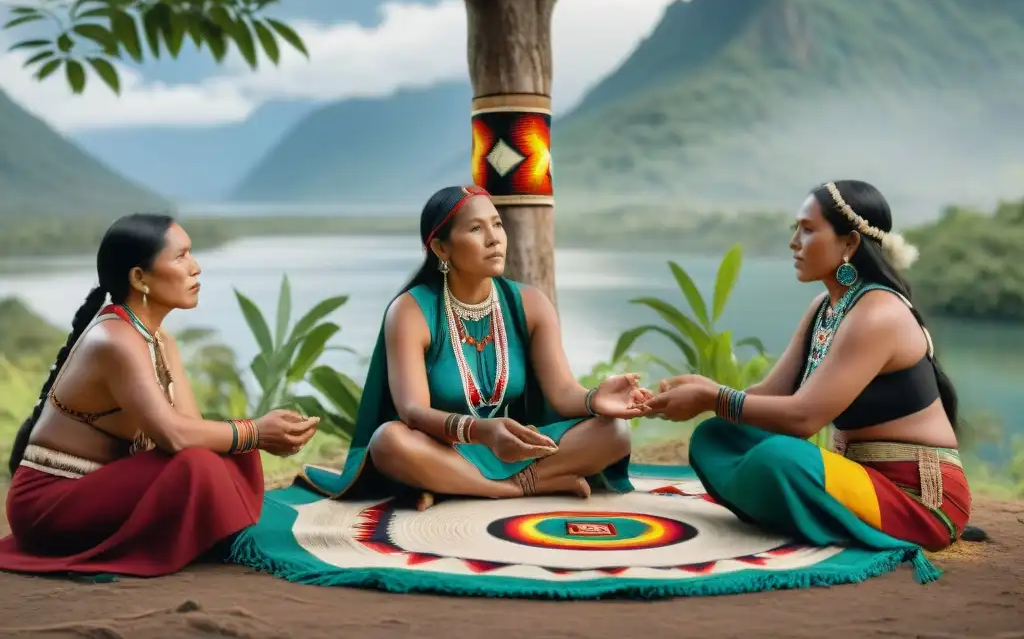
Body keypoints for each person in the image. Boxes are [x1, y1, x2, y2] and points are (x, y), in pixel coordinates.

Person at [645, 180, 972, 557]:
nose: (794, 242)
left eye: (808, 229)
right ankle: (809, 511)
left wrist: (710, 396)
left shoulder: (879, 314)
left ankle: (806, 512)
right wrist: (697, 391)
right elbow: (769, 397)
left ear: (849, 243)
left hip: (916, 497)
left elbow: (803, 419)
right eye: (795, 228)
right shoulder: (825, 306)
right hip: (855, 477)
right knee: (717, 437)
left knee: (778, 459)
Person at [0, 213, 319, 577]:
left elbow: (192, 431)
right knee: (203, 460)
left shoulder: (159, 340)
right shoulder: (114, 340)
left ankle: (202, 530)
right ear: (140, 278)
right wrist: (257, 432)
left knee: (228, 454)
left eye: (192, 255)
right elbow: (174, 435)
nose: (195, 268)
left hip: (106, 487)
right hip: (51, 503)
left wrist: (249, 438)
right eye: (181, 257)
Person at [296, 185, 651, 510]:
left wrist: (596, 399)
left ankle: (455, 487)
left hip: (514, 446)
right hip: (442, 448)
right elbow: (413, 413)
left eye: (497, 224)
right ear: (441, 248)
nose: (494, 238)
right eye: (476, 229)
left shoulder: (530, 304)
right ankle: (520, 488)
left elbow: (561, 393)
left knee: (614, 432)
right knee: (388, 442)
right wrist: (481, 431)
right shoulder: (410, 311)